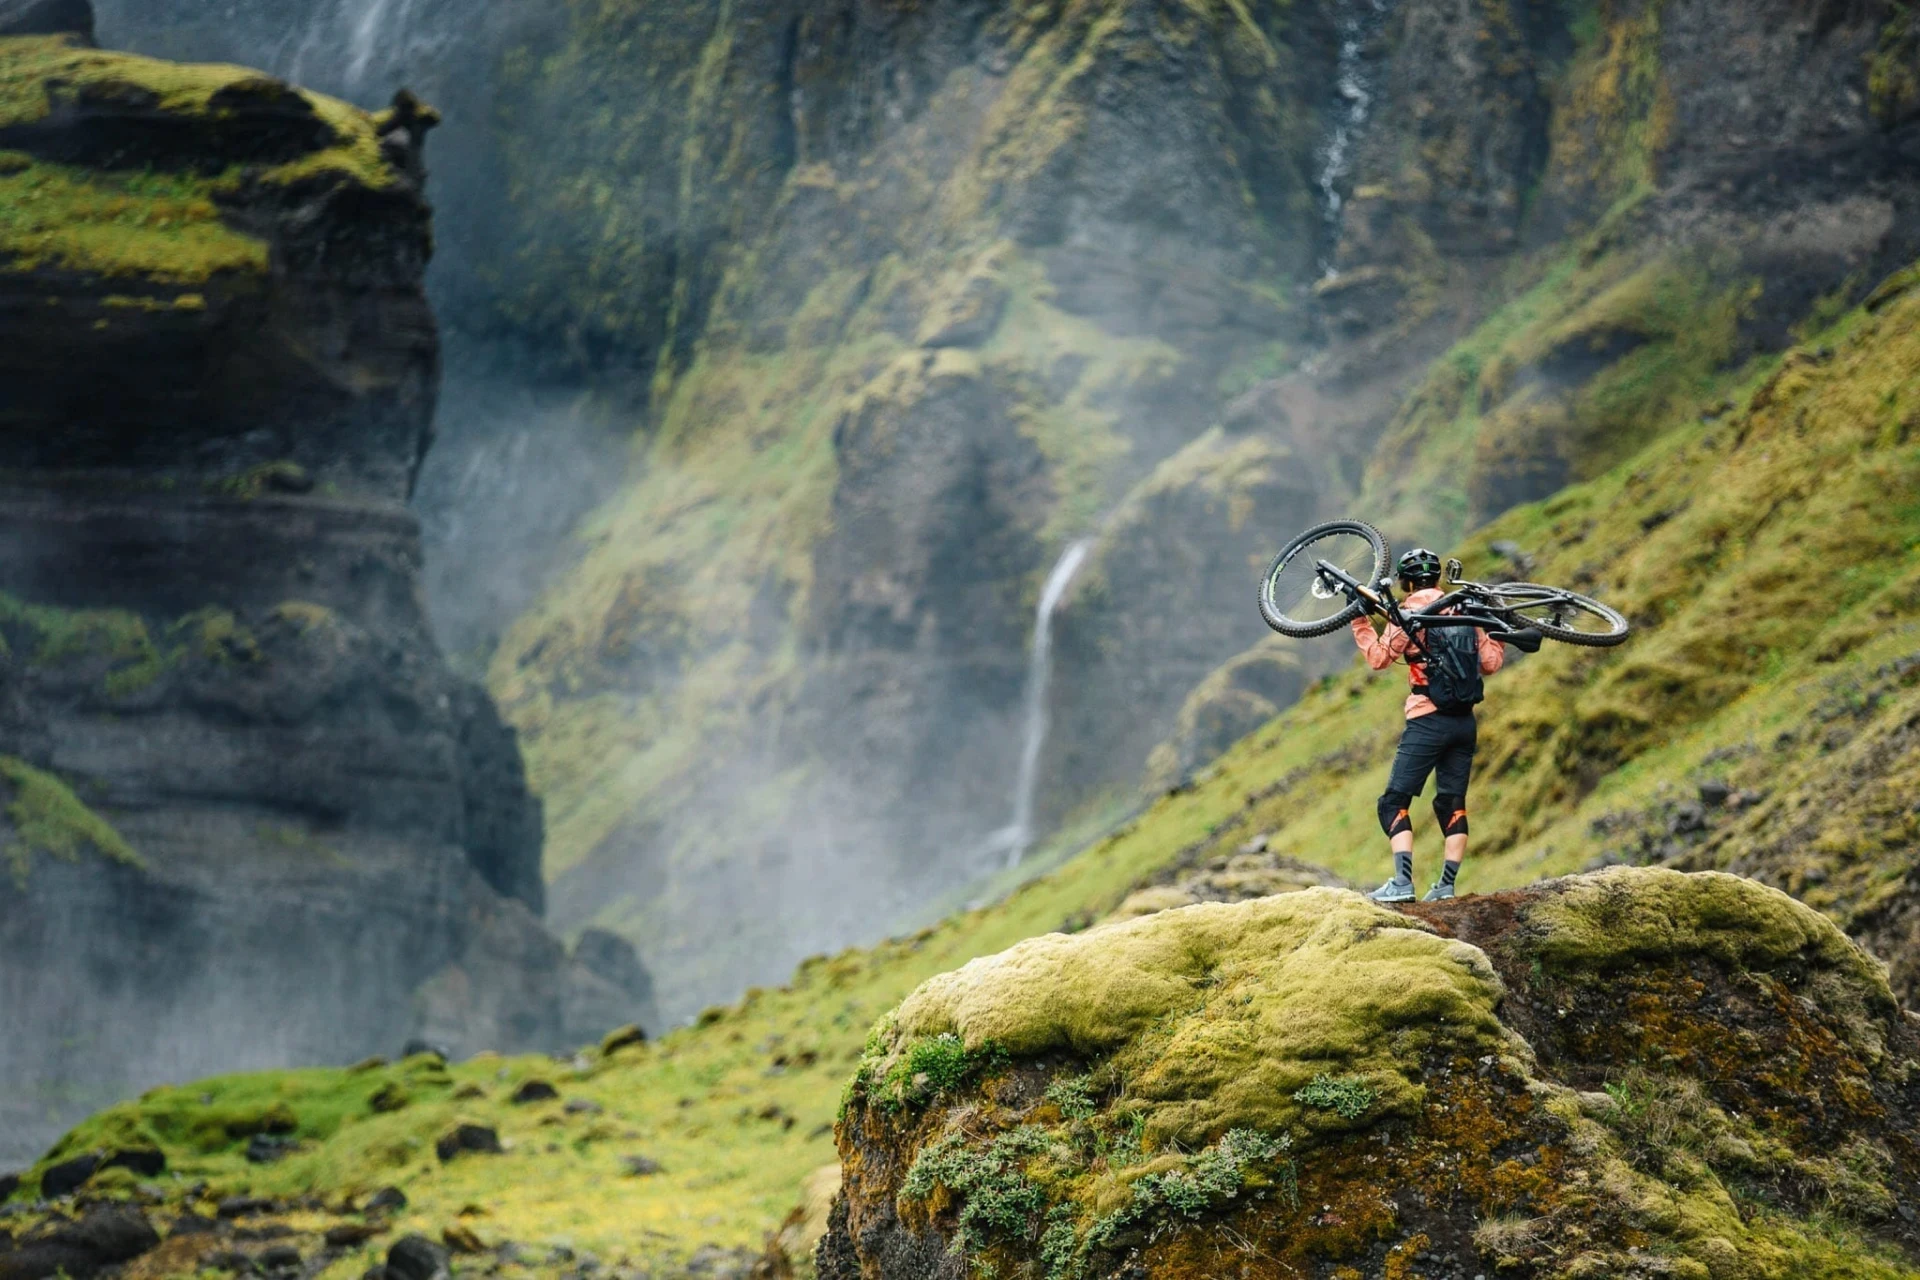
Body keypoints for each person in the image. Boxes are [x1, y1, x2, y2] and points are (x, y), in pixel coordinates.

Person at [1353, 548, 1507, 903]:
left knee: (1393, 802)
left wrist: (1360, 623)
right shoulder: (1467, 609)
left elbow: (1379, 658)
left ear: (1406, 583)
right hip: (1464, 723)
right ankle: (1446, 886)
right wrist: (1495, 634)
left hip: (1427, 720)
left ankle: (1402, 884)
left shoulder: (1409, 613)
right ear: (1438, 579)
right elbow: (1491, 663)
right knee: (1451, 803)